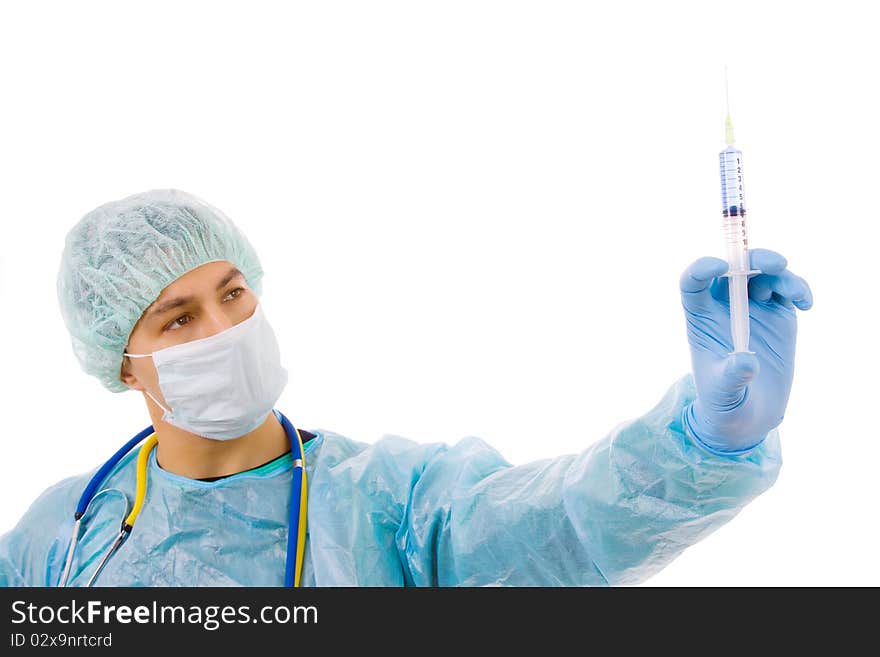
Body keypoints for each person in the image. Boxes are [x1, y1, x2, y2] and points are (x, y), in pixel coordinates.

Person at [0, 188, 813, 587]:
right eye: (178, 320)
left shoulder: (390, 504)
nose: (222, 330)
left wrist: (704, 441)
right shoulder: (64, 531)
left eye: (234, 293)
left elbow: (561, 524)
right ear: (121, 360)